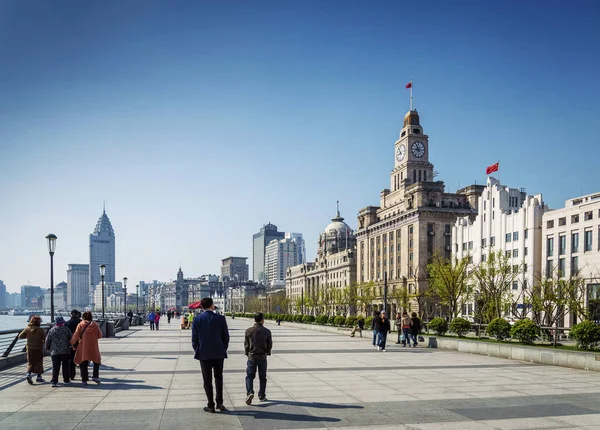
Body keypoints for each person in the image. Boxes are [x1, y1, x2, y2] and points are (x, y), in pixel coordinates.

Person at [192, 297, 229, 413]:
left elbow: (194, 339)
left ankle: (210, 405)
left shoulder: (197, 319)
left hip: (204, 354)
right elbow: (226, 337)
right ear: (212, 305)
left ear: (201, 307)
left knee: (207, 380)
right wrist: (223, 348)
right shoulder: (221, 318)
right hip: (219, 353)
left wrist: (198, 349)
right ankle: (220, 403)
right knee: (219, 378)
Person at [244, 312, 272, 405]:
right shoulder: (267, 331)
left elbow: (246, 344)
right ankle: (262, 395)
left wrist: (247, 353)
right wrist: (267, 352)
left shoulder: (248, 331)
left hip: (252, 356)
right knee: (262, 377)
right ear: (262, 320)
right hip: (262, 356)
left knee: (249, 376)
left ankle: (250, 392)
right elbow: (269, 344)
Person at [70, 311, 102, 386]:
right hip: (93, 345)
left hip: (83, 346)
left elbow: (76, 335)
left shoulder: (80, 324)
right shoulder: (95, 325)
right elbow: (100, 335)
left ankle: (84, 379)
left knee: (83, 361)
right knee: (96, 361)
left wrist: (71, 342)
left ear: (83, 317)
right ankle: (95, 376)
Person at [45, 316, 72, 387]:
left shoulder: (52, 330)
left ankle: (54, 381)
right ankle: (66, 380)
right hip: (65, 351)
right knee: (65, 366)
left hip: (55, 351)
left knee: (55, 367)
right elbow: (71, 338)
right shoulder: (66, 329)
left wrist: (47, 347)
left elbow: (48, 340)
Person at [19, 315, 46, 384]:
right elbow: (45, 339)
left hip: (30, 348)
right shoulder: (41, 330)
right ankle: (39, 377)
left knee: (30, 362)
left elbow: (20, 336)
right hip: (38, 348)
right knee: (39, 362)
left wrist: (27, 336)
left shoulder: (27, 329)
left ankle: (28, 374)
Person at [66, 309, 82, 380]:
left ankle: (71, 374)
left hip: (70, 343)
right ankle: (83, 374)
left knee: (71, 359)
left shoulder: (67, 323)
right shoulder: (81, 322)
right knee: (82, 358)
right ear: (77, 314)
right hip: (80, 342)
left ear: (71, 314)